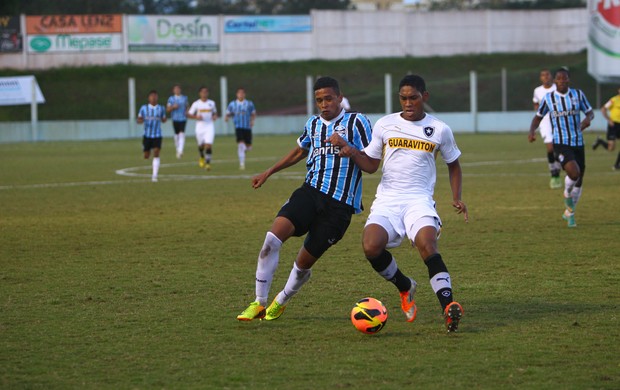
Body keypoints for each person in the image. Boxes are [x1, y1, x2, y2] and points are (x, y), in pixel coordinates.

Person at [328, 74, 467, 333]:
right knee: (371, 247)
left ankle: (448, 307)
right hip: (388, 201)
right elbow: (370, 165)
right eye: (403, 98)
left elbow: (454, 165)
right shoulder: (385, 124)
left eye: (413, 97)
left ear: (424, 97)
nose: (407, 102)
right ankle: (405, 286)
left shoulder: (439, 129)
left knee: (427, 244)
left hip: (419, 201)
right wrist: (350, 150)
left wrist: (456, 196)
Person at [236, 77, 373, 322]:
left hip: (339, 208)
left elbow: (372, 162)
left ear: (340, 98)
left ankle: (281, 301)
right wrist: (268, 172)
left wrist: (349, 147)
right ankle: (259, 302)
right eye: (319, 100)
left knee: (302, 265)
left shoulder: (357, 122)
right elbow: (300, 151)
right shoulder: (313, 125)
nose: (324, 104)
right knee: (271, 240)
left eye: (329, 99)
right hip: (310, 192)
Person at [529, 68, 594, 227]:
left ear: (568, 80)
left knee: (579, 180)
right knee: (574, 172)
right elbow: (538, 117)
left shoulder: (578, 95)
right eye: (559, 79)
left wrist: (587, 120)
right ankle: (566, 193)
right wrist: (531, 131)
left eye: (565, 79)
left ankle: (569, 212)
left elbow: (590, 112)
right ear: (555, 81)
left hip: (578, 142)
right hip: (561, 142)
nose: (562, 81)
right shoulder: (549, 98)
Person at [532, 69, 562, 189]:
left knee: (558, 148)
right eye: (543, 75)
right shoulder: (537, 91)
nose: (545, 77)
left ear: (551, 76)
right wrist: (539, 112)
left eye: (547, 75)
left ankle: (557, 172)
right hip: (545, 122)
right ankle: (553, 173)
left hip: (558, 120)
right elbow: (535, 103)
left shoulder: (557, 88)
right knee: (550, 147)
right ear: (541, 78)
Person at [137, 90, 167, 183]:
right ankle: (146, 149)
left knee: (157, 152)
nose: (153, 98)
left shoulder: (161, 108)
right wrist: (140, 120)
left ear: (157, 97)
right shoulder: (144, 108)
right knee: (146, 156)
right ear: (149, 98)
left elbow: (164, 119)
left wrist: (164, 119)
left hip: (157, 134)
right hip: (147, 135)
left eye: (155, 96)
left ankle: (154, 176)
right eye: (152, 96)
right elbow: (139, 119)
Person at [225, 87, 257, 170]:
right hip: (238, 127)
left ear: (244, 94)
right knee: (241, 144)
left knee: (248, 147)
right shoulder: (232, 104)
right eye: (239, 93)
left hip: (247, 127)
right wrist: (227, 117)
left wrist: (252, 121)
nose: (241, 95)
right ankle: (242, 164)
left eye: (242, 93)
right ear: (237, 94)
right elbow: (228, 112)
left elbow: (253, 113)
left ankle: (245, 149)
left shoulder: (249, 103)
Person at [187, 86, 218, 170]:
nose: (204, 94)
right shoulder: (196, 103)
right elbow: (189, 114)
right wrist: (196, 117)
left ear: (208, 93)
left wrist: (215, 116)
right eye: (202, 92)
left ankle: (208, 163)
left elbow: (215, 113)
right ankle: (201, 156)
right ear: (200, 93)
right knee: (201, 146)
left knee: (208, 145)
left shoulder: (212, 103)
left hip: (209, 126)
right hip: (200, 127)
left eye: (206, 92)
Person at [593, 86, 620, 170]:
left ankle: (616, 165)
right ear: (618, 90)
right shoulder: (614, 100)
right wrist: (609, 120)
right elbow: (603, 109)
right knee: (611, 148)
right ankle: (600, 141)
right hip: (613, 125)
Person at [166, 84, 189, 159]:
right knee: (176, 135)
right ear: (173, 90)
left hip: (183, 118)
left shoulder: (184, 98)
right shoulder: (171, 99)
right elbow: (168, 109)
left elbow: (187, 106)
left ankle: (180, 150)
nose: (177, 90)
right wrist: (173, 107)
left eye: (178, 89)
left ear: (180, 90)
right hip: (175, 118)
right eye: (175, 89)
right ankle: (177, 149)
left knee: (181, 133)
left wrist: (187, 112)